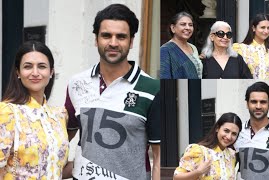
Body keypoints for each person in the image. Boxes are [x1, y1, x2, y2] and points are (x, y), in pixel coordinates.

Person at [64, 4, 160, 180]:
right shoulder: (76, 83)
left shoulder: (152, 89)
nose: (113, 43)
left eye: (121, 37)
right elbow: (62, 138)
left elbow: (159, 156)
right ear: (96, 39)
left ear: (131, 41)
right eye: (106, 35)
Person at [0, 41, 69, 179]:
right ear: (18, 72)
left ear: (51, 72)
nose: (35, 72)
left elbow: (57, 167)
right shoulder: (7, 112)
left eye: (42, 66)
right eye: (28, 66)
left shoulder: (59, 115)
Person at [173, 112, 242, 180]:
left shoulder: (231, 155)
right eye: (226, 131)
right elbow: (176, 178)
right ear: (217, 128)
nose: (229, 137)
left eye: (234, 134)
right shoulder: (198, 151)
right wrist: (198, 172)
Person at [233, 14, 269, 79]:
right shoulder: (240, 49)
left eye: (268, 28)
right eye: (262, 27)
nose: (266, 31)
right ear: (253, 28)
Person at [160, 11, 203, 79]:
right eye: (183, 24)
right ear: (173, 28)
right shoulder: (165, 50)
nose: (188, 28)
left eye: (190, 25)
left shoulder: (193, 47)